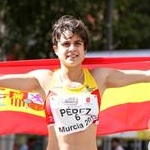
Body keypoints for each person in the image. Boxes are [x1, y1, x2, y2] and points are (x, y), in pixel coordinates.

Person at [0, 15, 150, 150]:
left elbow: (145, 76)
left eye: (78, 43)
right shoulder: (44, 79)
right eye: (66, 44)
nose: (72, 48)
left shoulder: (100, 77)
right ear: (55, 49)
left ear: (85, 49)